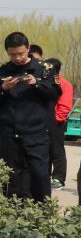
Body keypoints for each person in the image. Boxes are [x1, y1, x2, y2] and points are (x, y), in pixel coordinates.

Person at [0, 32, 61, 202]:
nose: (18, 58)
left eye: (21, 53)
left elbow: (55, 94)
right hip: (10, 135)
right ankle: (13, 211)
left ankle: (42, 211)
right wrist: (3, 88)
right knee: (12, 176)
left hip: (37, 133)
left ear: (28, 48)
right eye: (13, 54)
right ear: (7, 52)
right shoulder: (1, 72)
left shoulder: (45, 69)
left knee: (40, 174)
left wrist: (37, 84)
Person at [46, 58, 72, 190]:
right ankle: (44, 175)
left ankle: (58, 178)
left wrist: (55, 119)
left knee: (57, 151)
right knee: (44, 150)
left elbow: (65, 107)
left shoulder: (64, 84)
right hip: (43, 122)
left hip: (56, 123)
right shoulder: (45, 82)